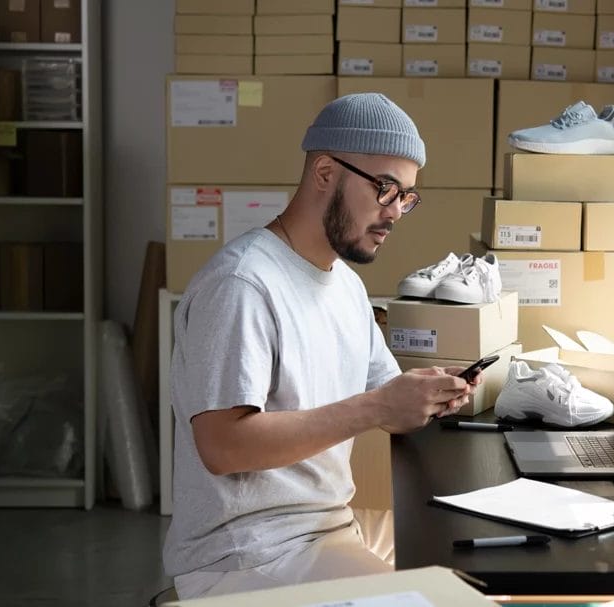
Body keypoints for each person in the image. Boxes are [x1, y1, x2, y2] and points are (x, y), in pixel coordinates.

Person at [162, 93, 481, 600]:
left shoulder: (345, 285)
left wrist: (425, 395)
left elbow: (386, 409)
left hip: (329, 527)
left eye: (407, 197)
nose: (396, 212)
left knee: (474, 561)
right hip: (249, 554)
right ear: (326, 173)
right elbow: (223, 447)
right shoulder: (242, 284)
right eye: (385, 189)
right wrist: (378, 404)